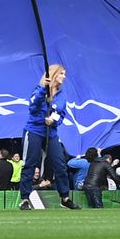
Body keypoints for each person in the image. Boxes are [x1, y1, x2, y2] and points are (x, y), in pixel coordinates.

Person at [18, 64, 78, 211]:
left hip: (51, 133)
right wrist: (42, 91)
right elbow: (32, 107)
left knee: (60, 164)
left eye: (64, 74)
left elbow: (61, 113)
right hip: (34, 130)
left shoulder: (61, 94)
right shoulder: (39, 89)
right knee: (30, 164)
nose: (64, 76)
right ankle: (25, 199)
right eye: (61, 74)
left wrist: (54, 120)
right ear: (53, 74)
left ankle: (65, 197)